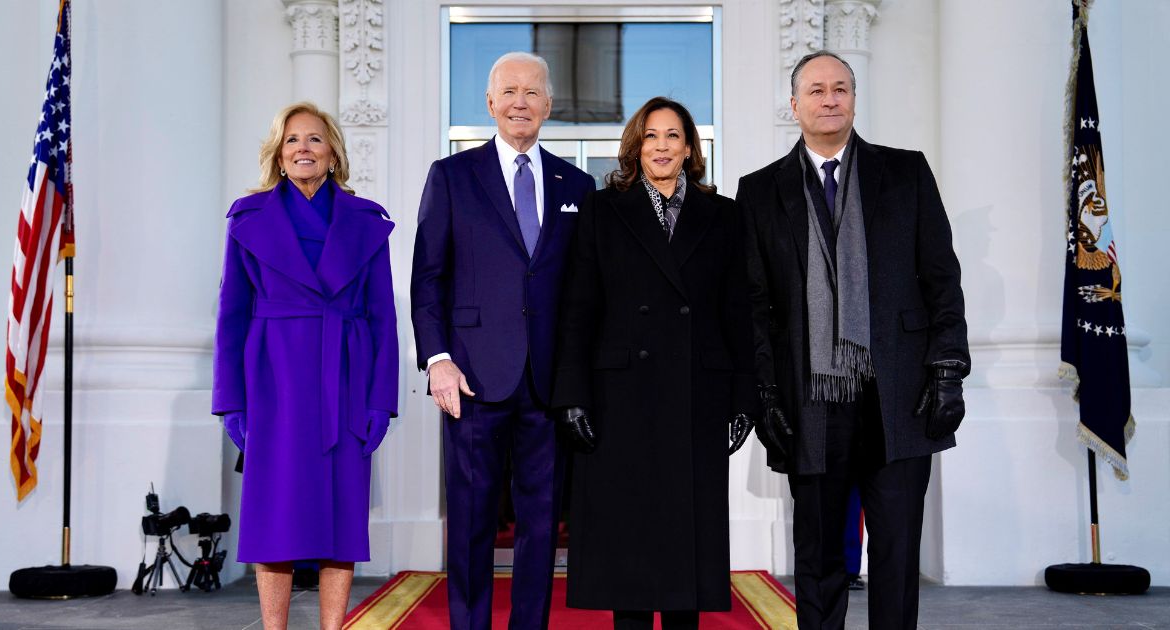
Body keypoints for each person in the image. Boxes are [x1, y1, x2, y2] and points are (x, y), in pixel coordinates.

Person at [738, 51, 969, 630]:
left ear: (855, 100)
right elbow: (754, 307)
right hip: (809, 396)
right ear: (794, 105)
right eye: (816, 90)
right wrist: (763, 396)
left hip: (898, 394)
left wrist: (947, 370)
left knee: (895, 552)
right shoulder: (759, 192)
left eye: (840, 88)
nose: (830, 99)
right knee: (817, 554)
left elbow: (942, 278)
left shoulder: (907, 172)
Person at [551, 96, 756, 630]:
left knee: (687, 543)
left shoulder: (724, 214)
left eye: (672, 136)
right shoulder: (603, 208)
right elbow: (579, 307)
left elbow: (739, 310)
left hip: (697, 394)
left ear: (690, 147)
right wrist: (571, 395)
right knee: (631, 544)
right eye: (650, 136)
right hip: (621, 396)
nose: (661, 146)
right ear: (635, 148)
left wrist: (743, 398)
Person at [410, 51, 594, 630]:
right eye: (509, 92)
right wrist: (437, 359)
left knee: (542, 525)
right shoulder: (452, 176)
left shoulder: (577, 184)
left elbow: (584, 289)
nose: (521, 102)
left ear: (549, 105)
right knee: (470, 522)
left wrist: (578, 376)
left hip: (547, 382)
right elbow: (428, 276)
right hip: (471, 377)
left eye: (532, 92)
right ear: (490, 103)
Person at [212, 102, 398, 630]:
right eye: (292, 140)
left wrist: (381, 401)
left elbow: (384, 317)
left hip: (346, 377)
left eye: (315, 139)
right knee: (275, 519)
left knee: (340, 519)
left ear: (335, 153)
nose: (303, 149)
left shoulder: (367, 221)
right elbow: (231, 316)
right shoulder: (248, 218)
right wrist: (231, 402)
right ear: (278, 153)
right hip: (274, 382)